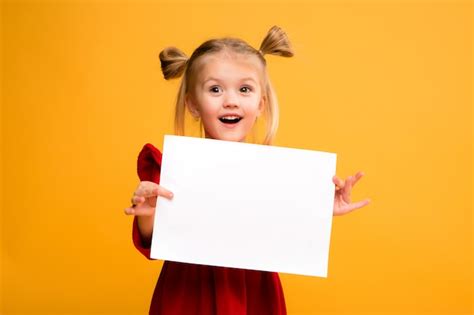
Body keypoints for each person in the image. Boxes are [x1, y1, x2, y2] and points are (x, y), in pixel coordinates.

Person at [124, 25, 371, 315]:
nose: (231, 100)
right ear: (192, 104)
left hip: (255, 292)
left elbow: (286, 227)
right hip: (190, 292)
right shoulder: (172, 171)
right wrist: (149, 212)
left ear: (260, 104)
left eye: (244, 89)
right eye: (215, 89)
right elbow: (154, 241)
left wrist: (318, 208)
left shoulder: (280, 175)